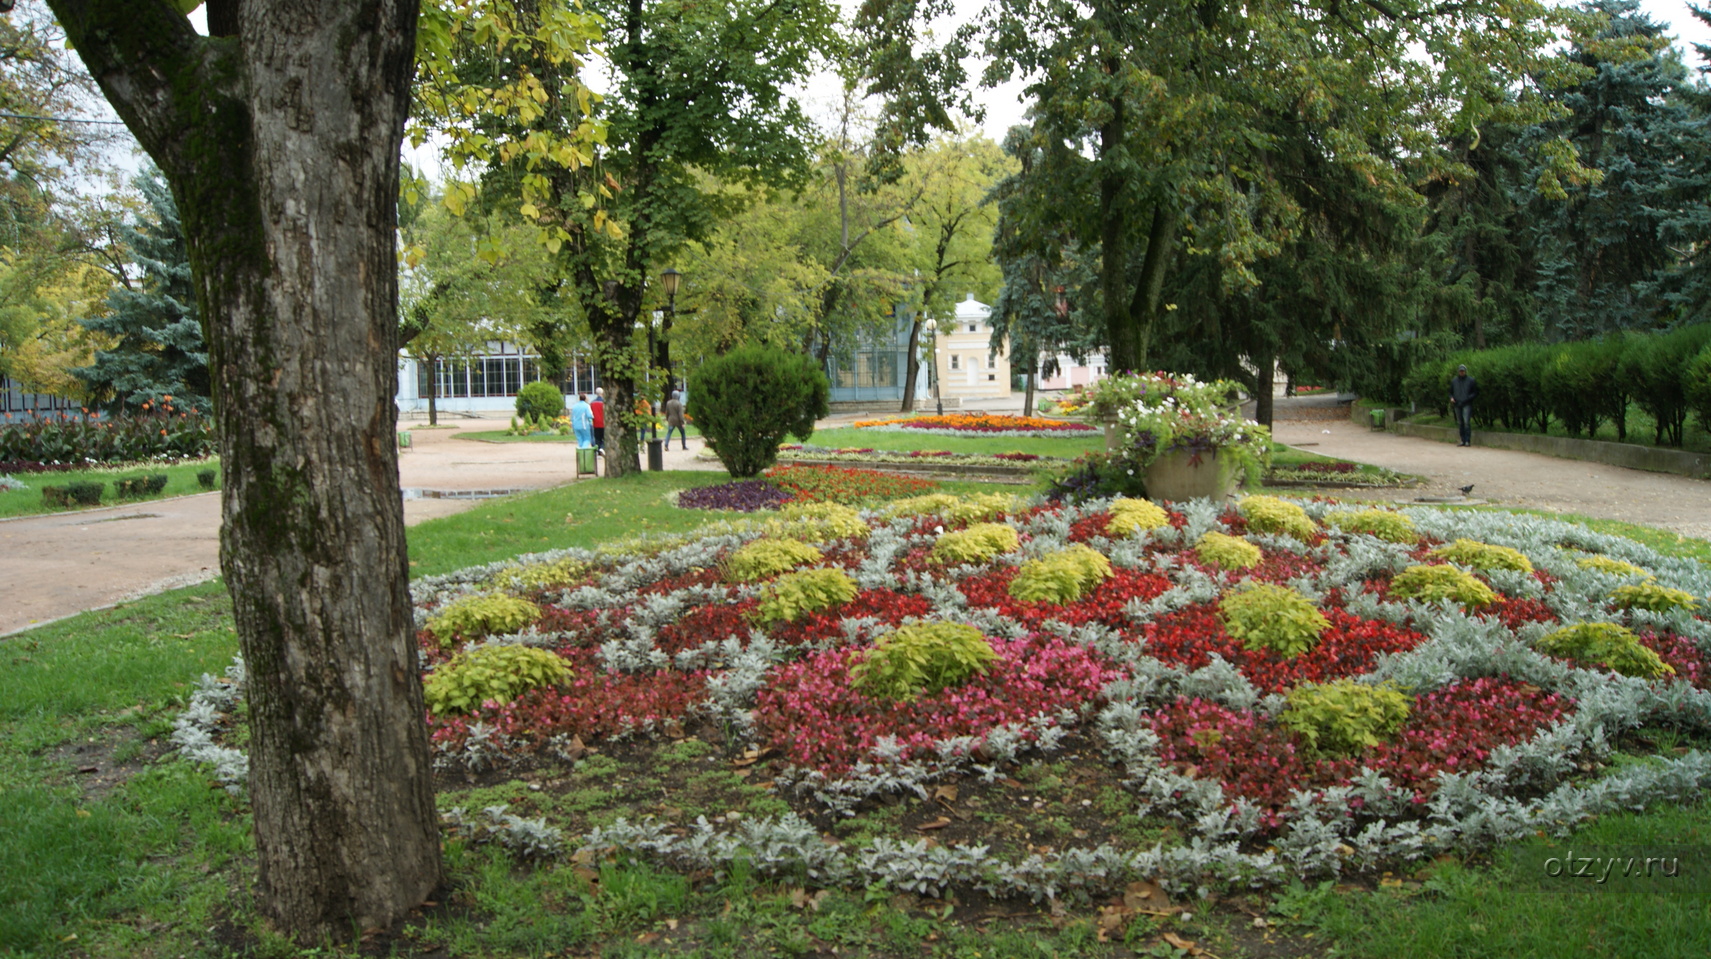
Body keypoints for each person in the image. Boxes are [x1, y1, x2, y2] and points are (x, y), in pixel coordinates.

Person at [1449, 364, 1479, 447]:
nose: (1462, 372)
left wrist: (1468, 398)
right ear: (1458, 371)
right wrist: (1451, 398)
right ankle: (1462, 440)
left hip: (1467, 403)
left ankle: (1467, 441)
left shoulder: (1471, 380)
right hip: (1457, 404)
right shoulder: (1454, 381)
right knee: (1460, 422)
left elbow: (1475, 392)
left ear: (1465, 371)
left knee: (1466, 422)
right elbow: (1450, 392)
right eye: (1460, 371)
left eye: (1463, 371)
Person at [590, 388, 605, 454]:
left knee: (597, 438)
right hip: (603, 423)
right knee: (604, 438)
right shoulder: (604, 403)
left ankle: (598, 450)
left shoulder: (592, 403)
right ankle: (602, 448)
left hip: (595, 423)